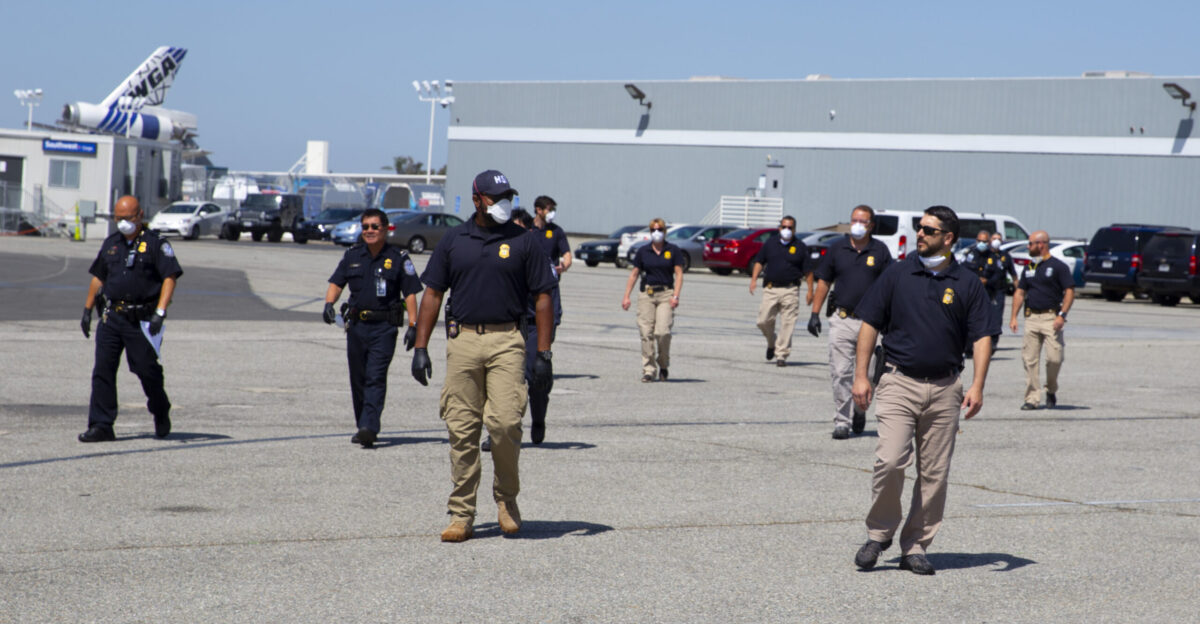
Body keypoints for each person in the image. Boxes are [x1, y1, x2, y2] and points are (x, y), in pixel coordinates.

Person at [409, 170, 556, 543]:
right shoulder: (455, 240)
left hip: (508, 339)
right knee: (462, 429)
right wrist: (421, 347)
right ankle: (462, 513)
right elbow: (433, 293)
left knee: (506, 424)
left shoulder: (524, 241)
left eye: (507, 195)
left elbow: (543, 297)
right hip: (463, 342)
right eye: (496, 197)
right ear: (477, 200)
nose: (504, 203)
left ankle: (506, 500)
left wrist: (544, 353)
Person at [851, 205, 992, 576]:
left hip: (946, 388)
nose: (920, 234)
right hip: (898, 381)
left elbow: (981, 337)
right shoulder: (897, 273)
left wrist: (977, 384)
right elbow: (869, 324)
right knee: (891, 460)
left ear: (948, 238)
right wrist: (861, 376)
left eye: (929, 230)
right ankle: (879, 534)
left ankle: (915, 546)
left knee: (934, 474)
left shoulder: (968, 284)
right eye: (919, 228)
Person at [78, 195, 183, 442]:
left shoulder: (156, 243)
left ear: (140, 216)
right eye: (118, 218)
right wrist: (87, 308)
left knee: (146, 370)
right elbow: (99, 277)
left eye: (127, 218)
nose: (122, 222)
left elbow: (170, 277)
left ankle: (160, 409)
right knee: (103, 369)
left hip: (142, 318)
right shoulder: (111, 243)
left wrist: (160, 311)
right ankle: (101, 425)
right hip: (112, 317)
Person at [323, 208, 423, 448]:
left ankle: (370, 426)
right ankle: (363, 425)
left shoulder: (398, 257)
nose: (369, 231)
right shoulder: (352, 255)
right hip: (356, 327)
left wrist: (413, 325)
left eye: (374, 226)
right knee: (358, 378)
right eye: (365, 226)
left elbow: (410, 293)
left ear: (386, 229)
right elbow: (337, 282)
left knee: (375, 377)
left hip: (384, 328)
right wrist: (329, 303)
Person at [808, 205, 892, 439]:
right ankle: (842, 421)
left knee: (871, 373)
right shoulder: (837, 249)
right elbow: (824, 281)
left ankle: (859, 408)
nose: (857, 224)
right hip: (842, 319)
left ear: (871, 225)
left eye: (862, 221)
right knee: (840, 372)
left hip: (871, 323)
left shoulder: (880, 251)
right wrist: (815, 314)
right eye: (854, 220)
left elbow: (890, 286)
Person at [1009, 230, 1075, 410]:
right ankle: (1032, 398)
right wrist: (1014, 316)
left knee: (1055, 358)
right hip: (1031, 318)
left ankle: (1051, 390)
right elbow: (1020, 292)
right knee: (1029, 359)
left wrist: (1062, 315)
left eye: (1030, 244)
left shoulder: (1058, 266)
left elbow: (1069, 291)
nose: (1028, 247)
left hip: (1051, 318)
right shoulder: (1030, 267)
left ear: (1041, 244)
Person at [527, 196, 570, 442]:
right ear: (538, 210)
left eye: (553, 209)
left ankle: (539, 416)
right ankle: (498, 430)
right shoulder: (526, 232)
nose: (551, 213)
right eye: (549, 209)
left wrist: (563, 265)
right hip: (515, 316)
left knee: (538, 373)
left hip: (544, 306)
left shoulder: (556, 232)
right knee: (506, 377)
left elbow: (567, 256)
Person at [621, 218, 684, 382]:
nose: (656, 232)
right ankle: (649, 369)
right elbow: (634, 274)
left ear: (664, 232)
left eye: (660, 229)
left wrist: (676, 295)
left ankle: (663, 364)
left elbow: (679, 274)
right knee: (646, 332)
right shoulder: (643, 251)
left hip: (666, 294)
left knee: (662, 332)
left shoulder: (673, 250)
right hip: (646, 294)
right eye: (653, 230)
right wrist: (626, 296)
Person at [748, 215, 812, 367]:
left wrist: (810, 291)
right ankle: (772, 342)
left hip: (791, 289)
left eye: (790, 227)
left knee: (788, 323)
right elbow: (759, 261)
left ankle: (781, 355)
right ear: (779, 228)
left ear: (794, 229)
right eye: (784, 227)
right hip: (771, 289)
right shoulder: (770, 243)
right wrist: (753, 279)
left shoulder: (800, 246)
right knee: (763, 321)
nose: (786, 230)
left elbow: (808, 271)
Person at [961, 229, 1005, 355]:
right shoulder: (969, 254)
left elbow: (998, 275)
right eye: (979, 241)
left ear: (989, 242)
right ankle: (968, 348)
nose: (982, 244)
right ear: (976, 241)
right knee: (969, 320)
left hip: (989, 293)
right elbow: (963, 271)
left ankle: (991, 346)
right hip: (972, 293)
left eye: (984, 241)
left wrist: (987, 281)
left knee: (992, 319)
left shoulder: (993, 257)